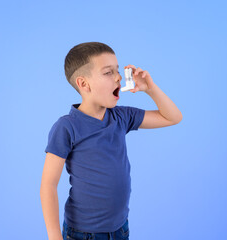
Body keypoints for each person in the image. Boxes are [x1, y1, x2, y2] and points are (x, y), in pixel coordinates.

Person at [40, 42, 183, 240]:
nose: (118, 77)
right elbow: (48, 184)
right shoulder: (67, 127)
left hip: (120, 229)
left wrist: (150, 89)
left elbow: (173, 117)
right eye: (108, 72)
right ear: (84, 84)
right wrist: (54, 236)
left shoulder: (121, 117)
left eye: (117, 70)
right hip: (83, 234)